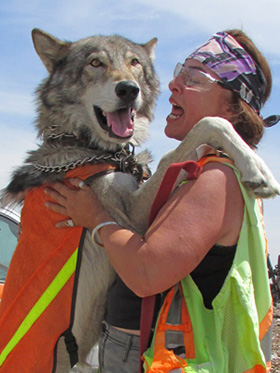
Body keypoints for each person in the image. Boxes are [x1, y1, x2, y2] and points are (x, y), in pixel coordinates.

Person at [45, 29, 278, 372]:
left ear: (233, 105)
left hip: (157, 356)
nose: (172, 86)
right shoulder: (204, 169)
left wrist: (96, 217)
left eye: (195, 79)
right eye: (178, 74)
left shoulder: (216, 178)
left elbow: (145, 273)